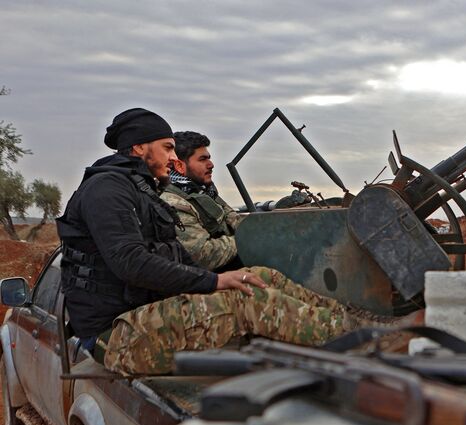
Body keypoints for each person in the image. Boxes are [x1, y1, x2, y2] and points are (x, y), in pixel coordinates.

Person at [56, 108, 355, 375]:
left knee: (258, 278)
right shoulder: (106, 189)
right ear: (139, 147)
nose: (174, 158)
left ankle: (346, 320)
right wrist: (213, 282)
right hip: (116, 335)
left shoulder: (141, 191)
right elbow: (130, 262)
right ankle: (359, 342)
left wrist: (225, 277)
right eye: (167, 148)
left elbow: (174, 254)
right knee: (244, 301)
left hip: (144, 314)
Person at [161, 131, 241, 271]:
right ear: (179, 165)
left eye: (209, 158)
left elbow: (234, 219)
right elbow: (201, 255)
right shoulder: (172, 201)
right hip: (205, 280)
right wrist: (247, 239)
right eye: (202, 159)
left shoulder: (203, 191)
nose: (211, 164)